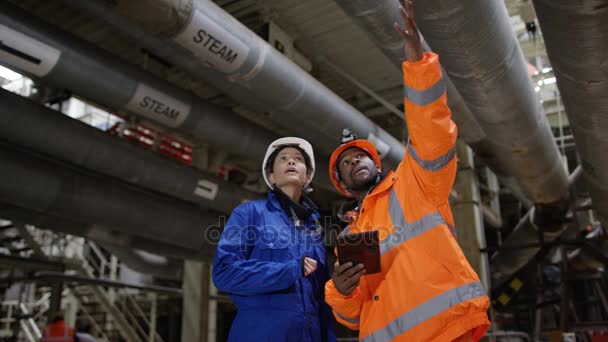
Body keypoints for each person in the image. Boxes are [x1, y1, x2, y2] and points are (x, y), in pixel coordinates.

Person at [324, 1, 491, 341]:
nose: (354, 161)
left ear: (377, 164)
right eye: (346, 163)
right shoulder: (349, 238)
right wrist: (340, 291)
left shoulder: (413, 183)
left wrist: (418, 64)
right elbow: (351, 317)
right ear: (341, 184)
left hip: (446, 330)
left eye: (360, 157)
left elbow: (432, 134)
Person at [212, 137, 335, 341]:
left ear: (307, 177)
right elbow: (224, 273)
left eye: (298, 159)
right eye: (283, 158)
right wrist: (288, 271)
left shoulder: (314, 230)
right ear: (271, 176)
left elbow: (321, 300)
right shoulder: (250, 213)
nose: (291, 162)